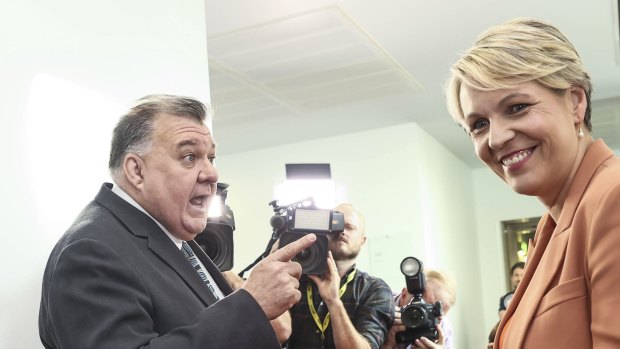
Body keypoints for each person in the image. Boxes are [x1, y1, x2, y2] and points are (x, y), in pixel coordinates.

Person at [38, 94, 317, 349]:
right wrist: (251, 305)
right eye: (189, 157)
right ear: (136, 171)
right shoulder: (90, 252)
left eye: (211, 157)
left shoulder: (173, 234)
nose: (211, 173)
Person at [446, 18, 620, 349]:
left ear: (575, 102)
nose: (496, 139)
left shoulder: (612, 197)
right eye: (479, 124)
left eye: (517, 107)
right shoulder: (550, 227)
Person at [286, 203, 395, 349]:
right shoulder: (296, 281)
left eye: (350, 227)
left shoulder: (375, 289)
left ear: (363, 241)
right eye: (335, 224)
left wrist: (333, 301)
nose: (342, 231)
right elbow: (277, 334)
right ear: (322, 233)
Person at [381, 270, 456, 349]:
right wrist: (386, 344)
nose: (420, 316)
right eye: (418, 306)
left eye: (430, 311)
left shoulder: (442, 327)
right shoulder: (378, 306)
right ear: (404, 295)